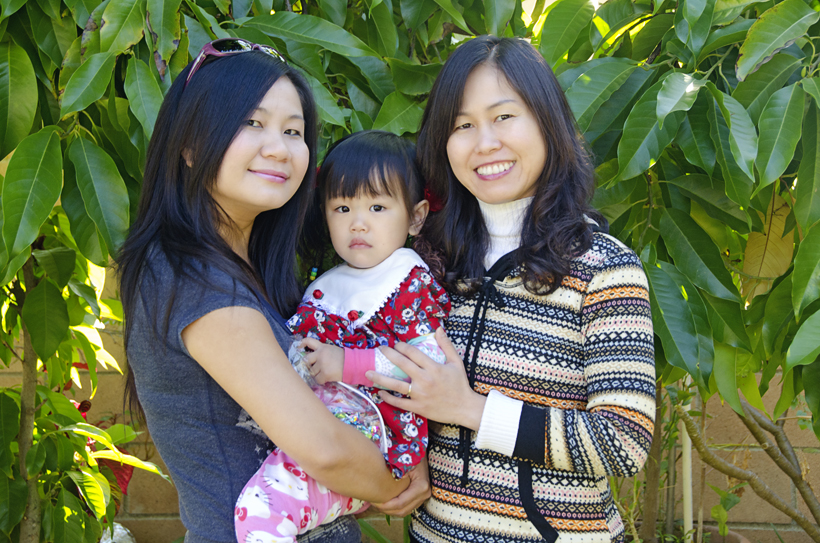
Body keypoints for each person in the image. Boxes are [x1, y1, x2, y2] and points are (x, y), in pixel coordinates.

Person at [118, 39, 417, 543]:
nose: (278, 147)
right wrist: (401, 480)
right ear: (190, 146)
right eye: (252, 123)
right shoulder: (190, 276)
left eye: (293, 131)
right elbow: (326, 451)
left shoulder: (243, 271)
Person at [365, 36, 657, 543]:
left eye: (504, 117)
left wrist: (470, 410)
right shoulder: (428, 267)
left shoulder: (604, 270)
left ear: (548, 122)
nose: (484, 143)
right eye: (463, 124)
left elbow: (623, 442)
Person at [235, 130, 450, 542]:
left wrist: (346, 364)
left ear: (417, 216)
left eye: (377, 206)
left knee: (260, 514)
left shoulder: (407, 280)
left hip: (371, 437)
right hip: (318, 428)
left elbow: (430, 364)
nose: (358, 222)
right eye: (342, 206)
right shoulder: (329, 283)